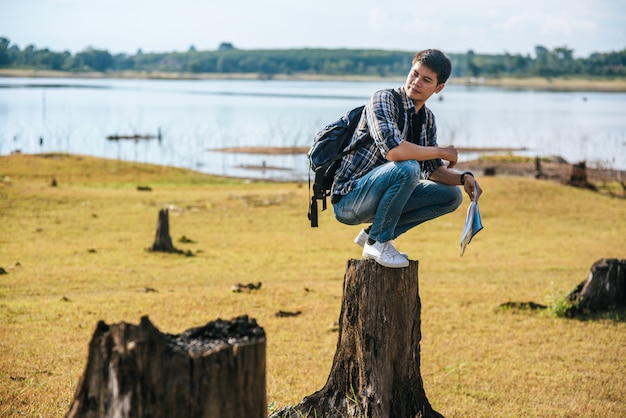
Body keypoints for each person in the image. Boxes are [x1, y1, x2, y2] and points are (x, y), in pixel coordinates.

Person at [331, 49, 483, 268]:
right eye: (414, 74)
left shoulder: (427, 118)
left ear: (438, 88)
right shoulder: (382, 99)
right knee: (408, 167)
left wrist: (464, 178)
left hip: (382, 195)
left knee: (451, 196)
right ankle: (379, 241)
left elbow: (432, 171)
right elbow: (394, 152)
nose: (416, 82)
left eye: (426, 79)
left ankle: (371, 235)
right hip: (349, 199)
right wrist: (440, 151)